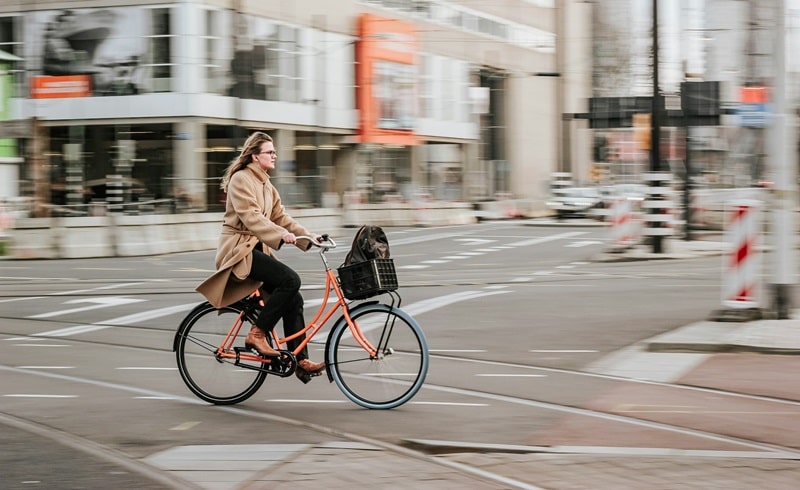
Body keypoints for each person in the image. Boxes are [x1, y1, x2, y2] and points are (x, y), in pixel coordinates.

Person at [196, 131, 325, 383]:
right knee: (291, 280)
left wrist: (309, 237)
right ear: (255, 156)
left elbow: (281, 217)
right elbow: (252, 218)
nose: (274, 155)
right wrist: (281, 235)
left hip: (255, 249)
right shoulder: (241, 180)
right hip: (239, 249)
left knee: (294, 298)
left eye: (274, 151)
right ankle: (257, 334)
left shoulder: (266, 184)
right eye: (270, 151)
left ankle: (300, 360)